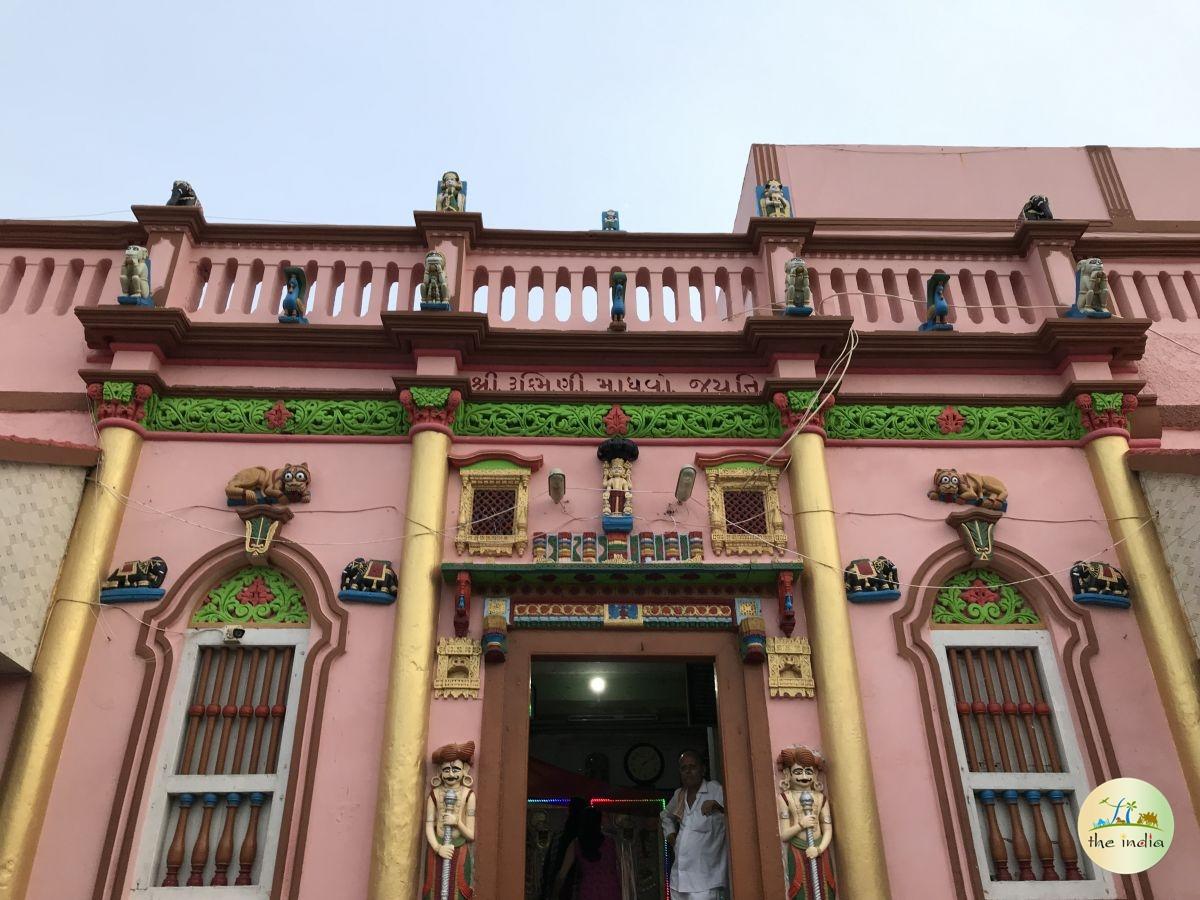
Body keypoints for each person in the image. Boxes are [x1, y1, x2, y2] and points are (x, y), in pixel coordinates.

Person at [660, 750, 729, 900]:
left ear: (703, 769)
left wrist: (718, 807)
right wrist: (672, 837)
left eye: (693, 767)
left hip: (706, 882)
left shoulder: (715, 789)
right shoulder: (680, 794)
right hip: (679, 880)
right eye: (684, 768)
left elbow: (736, 816)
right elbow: (665, 815)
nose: (688, 772)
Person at [552, 807, 621, 900]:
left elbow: (562, 874)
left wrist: (554, 894)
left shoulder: (576, 844)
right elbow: (621, 870)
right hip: (611, 891)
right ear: (599, 822)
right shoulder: (611, 843)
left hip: (588, 891)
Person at [541, 797, 586, 900]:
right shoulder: (584, 840)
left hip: (559, 889)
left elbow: (549, 867)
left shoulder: (558, 837)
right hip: (577, 890)